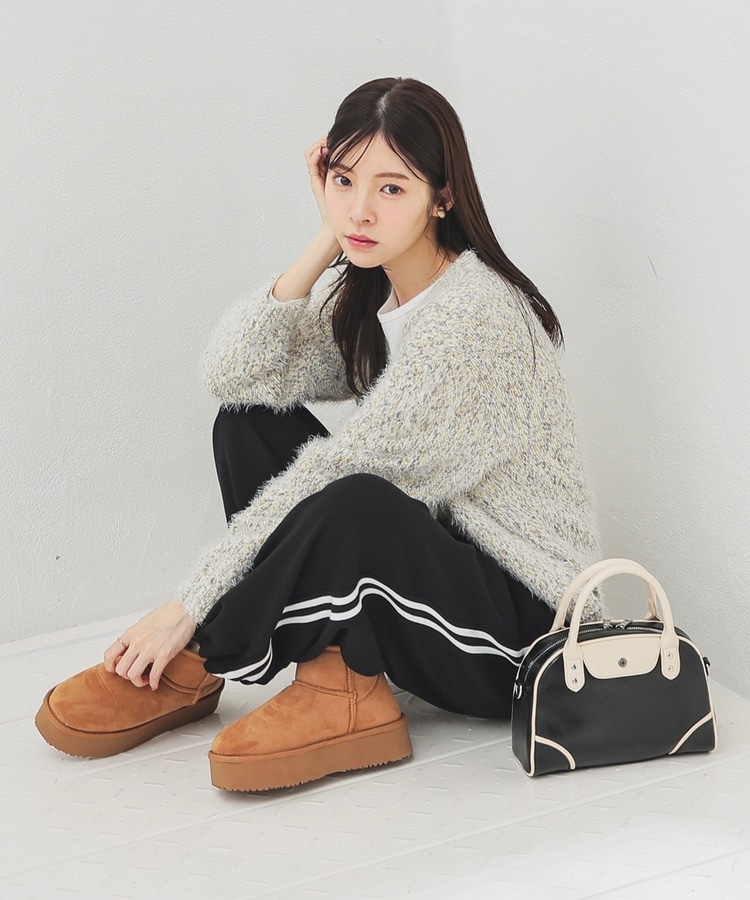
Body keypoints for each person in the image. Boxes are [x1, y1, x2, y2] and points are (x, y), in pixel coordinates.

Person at [35, 76, 601, 791]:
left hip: (524, 638)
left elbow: (348, 475)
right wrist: (327, 239)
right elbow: (236, 373)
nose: (361, 209)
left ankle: (200, 656)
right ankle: (341, 676)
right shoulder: (378, 293)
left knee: (356, 494)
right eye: (344, 181)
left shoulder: (474, 320)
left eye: (391, 188)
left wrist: (188, 606)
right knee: (250, 424)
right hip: (437, 581)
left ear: (442, 197)